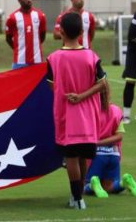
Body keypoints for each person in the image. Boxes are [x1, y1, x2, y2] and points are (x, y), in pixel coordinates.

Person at [46, 12, 107, 210]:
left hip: (66, 115)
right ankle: (79, 197)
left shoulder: (54, 58)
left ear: (60, 31)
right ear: (82, 32)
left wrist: (68, 91)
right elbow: (102, 84)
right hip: (88, 115)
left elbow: (51, 86)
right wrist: (82, 96)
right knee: (83, 157)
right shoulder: (91, 56)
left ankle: (76, 198)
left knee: (70, 157)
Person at [84, 82, 136, 199]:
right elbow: (119, 136)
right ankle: (123, 183)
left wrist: (97, 143)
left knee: (84, 185)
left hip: (96, 155)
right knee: (109, 187)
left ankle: (93, 183)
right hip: (114, 154)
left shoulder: (90, 111)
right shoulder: (116, 110)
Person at [5, 0, 47, 69]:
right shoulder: (12, 17)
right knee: (18, 81)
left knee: (38, 81)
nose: (28, 0)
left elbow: (42, 35)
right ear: (19, 0)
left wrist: (35, 46)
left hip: (37, 60)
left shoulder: (40, 15)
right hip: (20, 61)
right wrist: (18, 48)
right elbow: (8, 38)